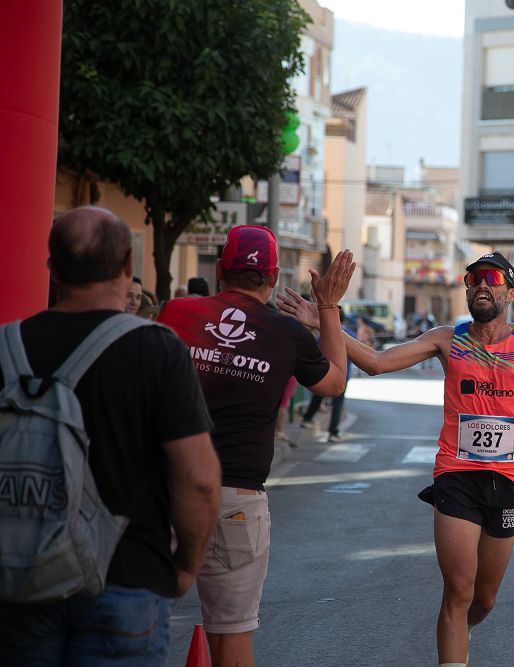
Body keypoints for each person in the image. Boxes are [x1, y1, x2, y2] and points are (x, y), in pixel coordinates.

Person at [277, 250, 514, 667]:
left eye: (491, 279)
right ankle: (454, 643)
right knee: (458, 589)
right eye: (473, 278)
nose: (480, 284)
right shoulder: (447, 338)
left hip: (510, 482)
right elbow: (377, 362)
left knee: (484, 599)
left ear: (510, 292)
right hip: (456, 475)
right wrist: (323, 319)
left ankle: (466, 627)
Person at [0, 206, 221, 663]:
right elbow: (197, 477)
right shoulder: (156, 349)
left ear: (52, 269)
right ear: (126, 267)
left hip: (17, 580)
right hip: (127, 579)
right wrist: (184, 565)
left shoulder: (5, 347)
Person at [158, 226, 354, 667]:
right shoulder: (286, 334)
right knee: (230, 641)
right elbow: (336, 383)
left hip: (164, 490)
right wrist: (327, 306)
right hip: (237, 501)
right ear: (273, 277)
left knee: (139, 621)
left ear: (220, 270)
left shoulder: (174, 313)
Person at [301, 308, 357, 442]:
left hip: (324, 372)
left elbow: (316, 350)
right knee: (337, 403)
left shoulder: (324, 332)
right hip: (342, 375)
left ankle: (307, 418)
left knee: (318, 396)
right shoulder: (349, 334)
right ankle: (333, 432)